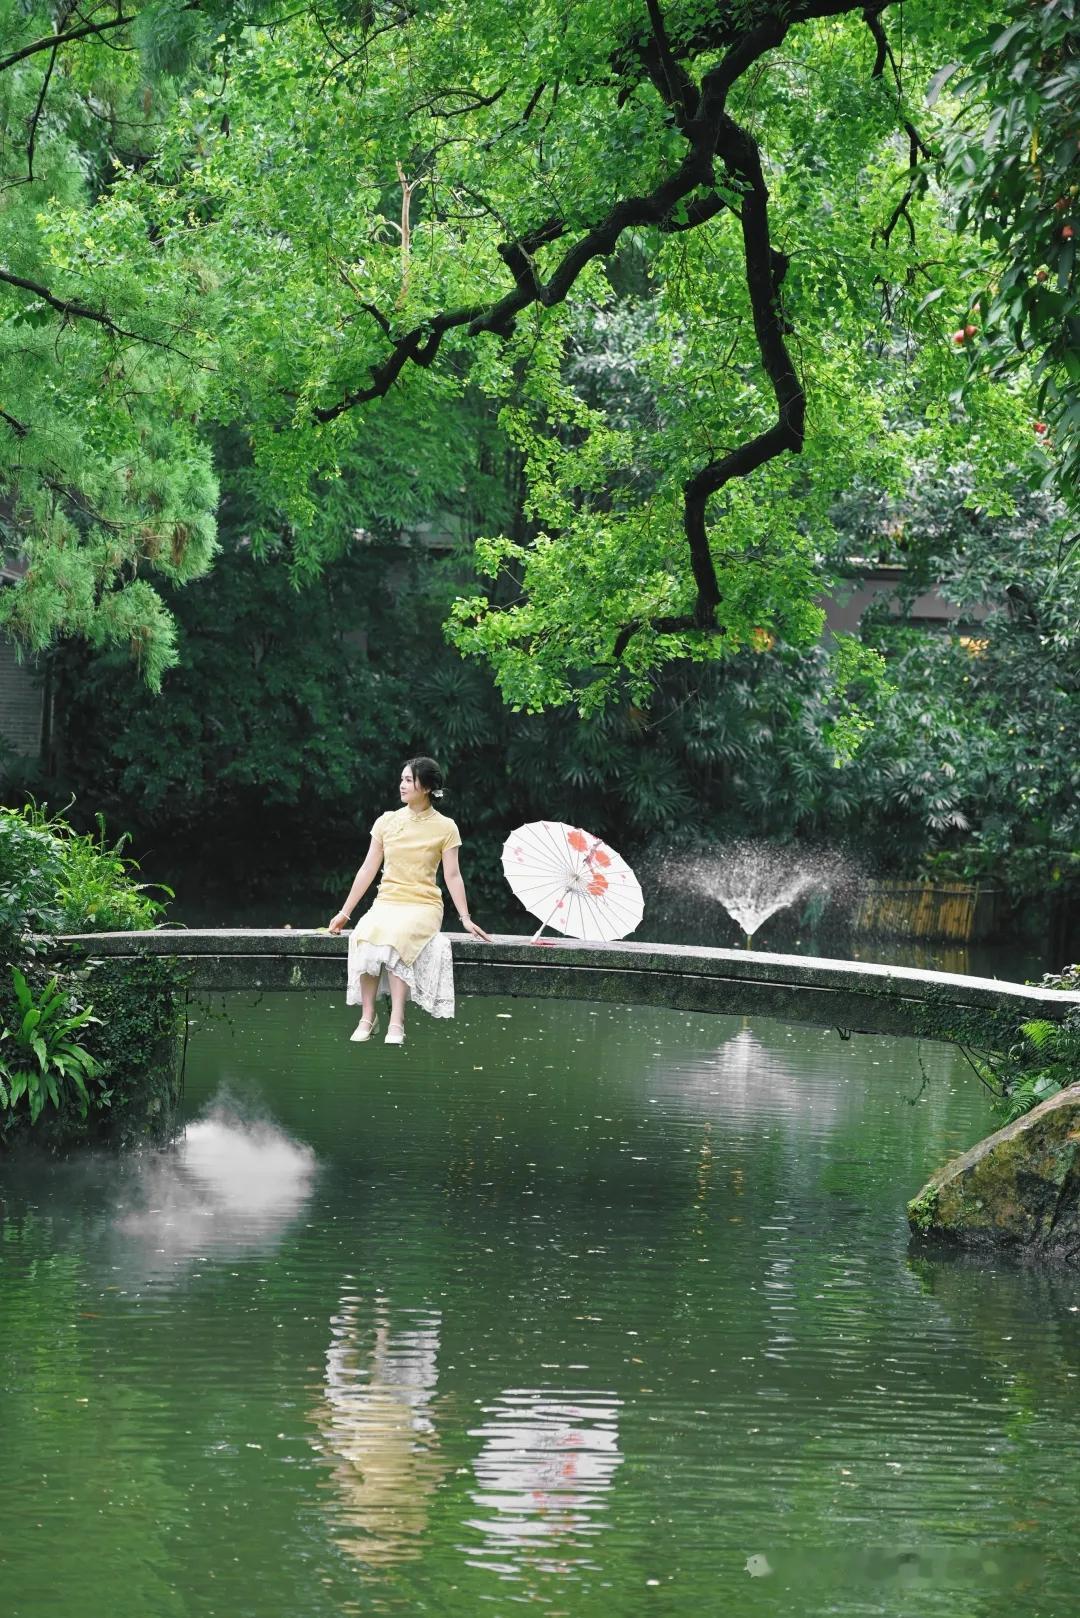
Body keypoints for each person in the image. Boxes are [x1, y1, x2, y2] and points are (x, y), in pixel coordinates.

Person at [327, 758, 491, 1045]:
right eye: (401, 779)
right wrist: (345, 912)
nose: (402, 785)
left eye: (408, 780)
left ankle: (397, 1020)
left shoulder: (446, 827)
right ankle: (368, 1017)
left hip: (423, 904)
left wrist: (465, 917)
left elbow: (452, 875)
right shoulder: (386, 821)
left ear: (426, 787)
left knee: (398, 936)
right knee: (364, 934)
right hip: (387, 901)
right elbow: (367, 869)